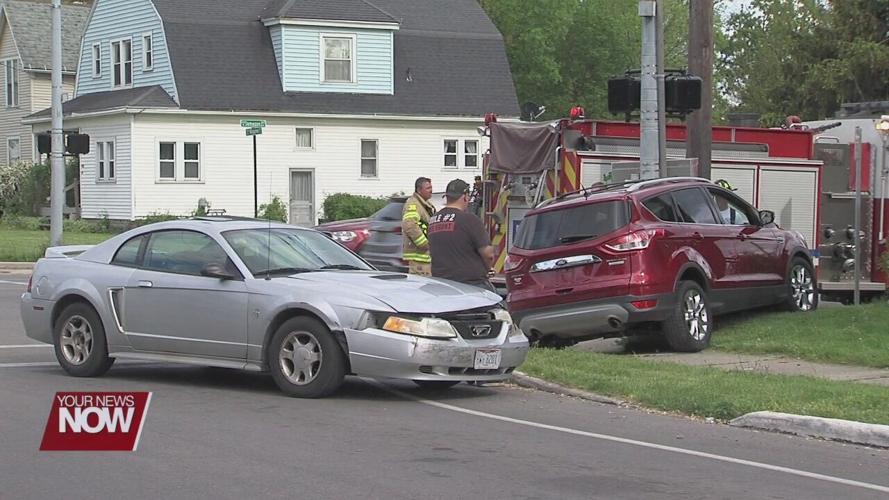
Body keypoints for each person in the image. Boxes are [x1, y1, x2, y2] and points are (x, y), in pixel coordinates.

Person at [428, 179, 496, 292]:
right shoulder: (470, 220)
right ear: (465, 197)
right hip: (470, 285)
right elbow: (488, 254)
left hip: (441, 284)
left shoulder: (433, 220)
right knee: (497, 304)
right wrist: (487, 269)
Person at [402, 177, 435, 276]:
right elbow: (410, 226)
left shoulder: (424, 204)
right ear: (419, 190)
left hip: (424, 258)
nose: (431, 190)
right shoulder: (413, 205)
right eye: (428, 188)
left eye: (431, 187)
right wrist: (424, 244)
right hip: (419, 259)